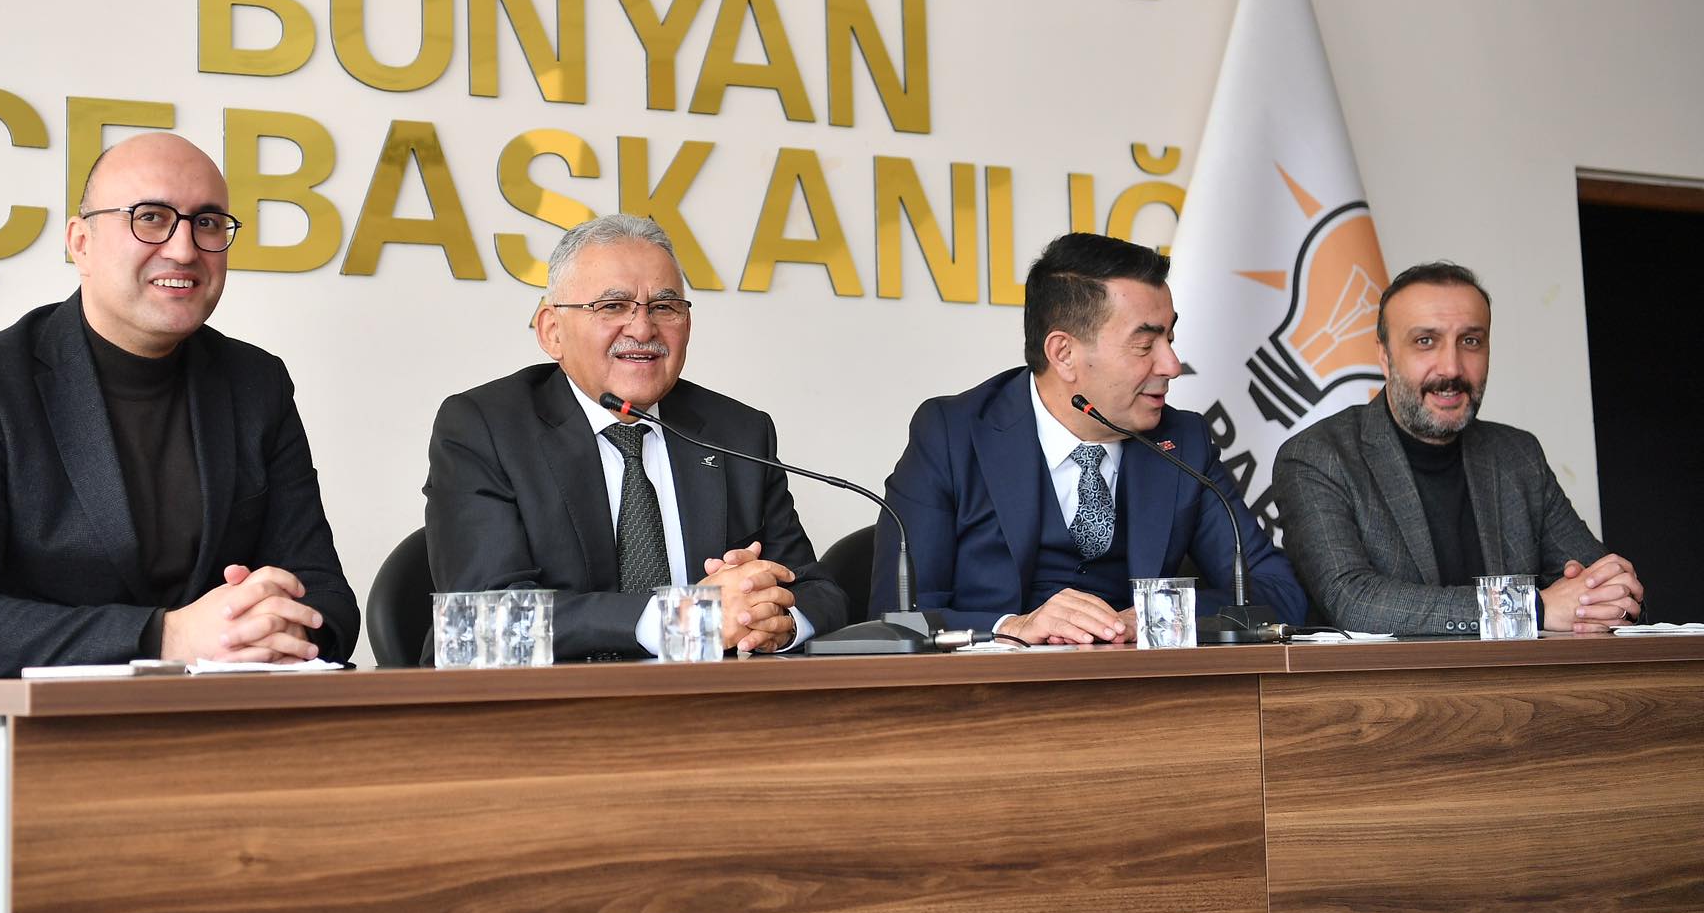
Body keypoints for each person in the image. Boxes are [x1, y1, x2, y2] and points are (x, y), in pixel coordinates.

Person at [0, 132, 359, 677]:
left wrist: (276, 627)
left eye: (208, 222)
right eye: (151, 218)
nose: (184, 249)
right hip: (19, 723)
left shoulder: (256, 383)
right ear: (81, 243)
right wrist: (167, 636)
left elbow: (325, 595)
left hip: (213, 718)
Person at [424, 214, 848, 658]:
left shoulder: (737, 433)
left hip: (711, 696)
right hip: (545, 698)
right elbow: (484, 617)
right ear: (552, 331)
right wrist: (685, 620)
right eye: (612, 306)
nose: (643, 329)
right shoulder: (483, 427)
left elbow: (818, 591)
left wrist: (773, 621)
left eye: (664, 307)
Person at [875, 232, 1305, 641]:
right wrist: (1011, 627)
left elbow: (1278, 590)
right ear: (1063, 354)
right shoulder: (952, 435)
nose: (1172, 365)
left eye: (1170, 339)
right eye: (1145, 345)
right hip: (990, 685)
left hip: (1142, 685)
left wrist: (1157, 615)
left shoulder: (1183, 442)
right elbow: (895, 617)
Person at [1272, 261, 1643, 635]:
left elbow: (1603, 583)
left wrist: (1610, 594)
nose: (1451, 368)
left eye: (1470, 341)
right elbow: (1353, 601)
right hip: (1384, 676)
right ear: (1385, 356)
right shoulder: (1318, 457)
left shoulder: (1518, 455)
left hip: (1518, 674)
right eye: (1425, 341)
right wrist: (1529, 608)